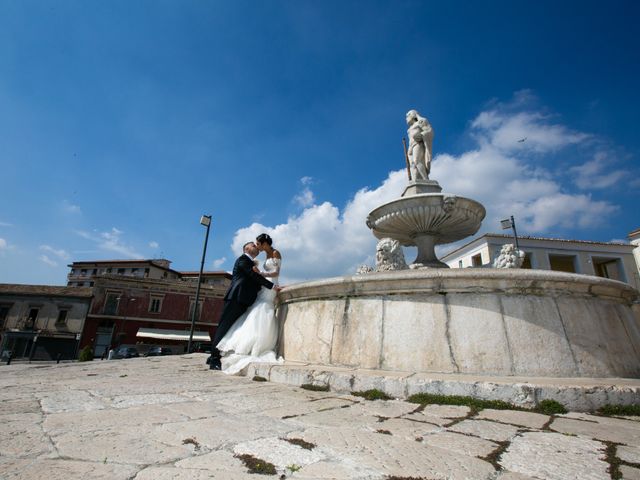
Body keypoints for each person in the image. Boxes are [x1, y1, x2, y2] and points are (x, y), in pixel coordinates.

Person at [216, 233, 283, 374]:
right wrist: (261, 275)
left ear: (264, 243)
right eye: (254, 245)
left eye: (258, 244)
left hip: (266, 287)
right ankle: (214, 357)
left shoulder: (275, 253)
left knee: (261, 313)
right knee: (229, 324)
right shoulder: (244, 260)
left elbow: (275, 273)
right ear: (246, 249)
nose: (257, 246)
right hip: (243, 294)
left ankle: (256, 347)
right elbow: (253, 275)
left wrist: (261, 274)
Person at [406, 109, 434, 180]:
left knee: (417, 161)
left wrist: (422, 135)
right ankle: (415, 180)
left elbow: (429, 131)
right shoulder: (409, 129)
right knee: (413, 165)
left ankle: (426, 179)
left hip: (417, 143)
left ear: (413, 115)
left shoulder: (420, 122)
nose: (406, 118)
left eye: (408, 115)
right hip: (410, 147)